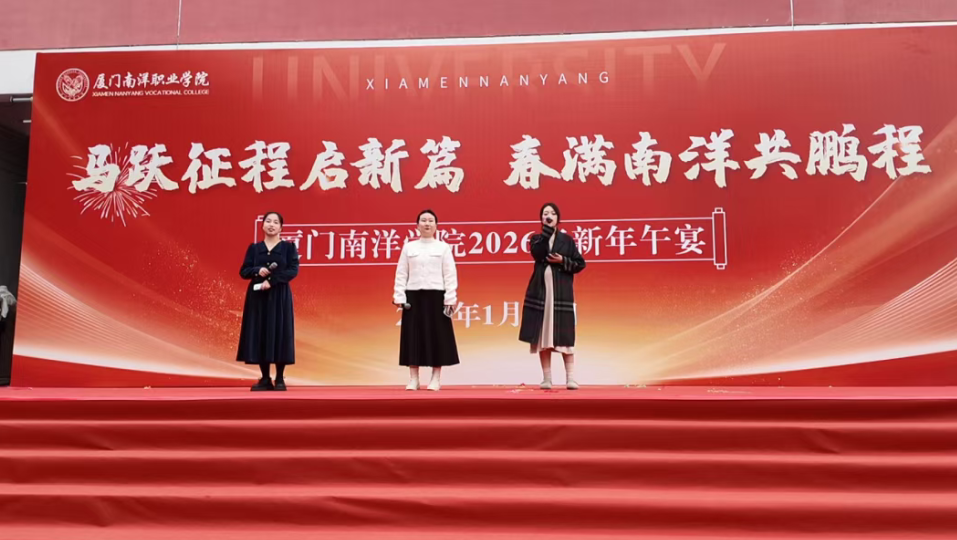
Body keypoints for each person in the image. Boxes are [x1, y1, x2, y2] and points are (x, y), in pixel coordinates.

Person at [519, 202, 586, 390]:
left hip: (561, 293)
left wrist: (562, 260)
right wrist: (547, 232)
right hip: (541, 293)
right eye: (545, 213)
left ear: (558, 218)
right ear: (541, 219)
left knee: (565, 336)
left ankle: (570, 378)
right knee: (543, 337)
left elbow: (580, 264)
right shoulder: (536, 239)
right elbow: (538, 254)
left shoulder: (567, 240)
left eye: (552, 213)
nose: (549, 216)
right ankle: (546, 378)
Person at [393, 209, 460, 391]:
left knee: (437, 337)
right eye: (423, 220)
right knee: (413, 337)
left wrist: (450, 298)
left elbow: (450, 274)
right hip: (413, 296)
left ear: (436, 226)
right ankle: (413, 379)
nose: (427, 224)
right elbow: (401, 273)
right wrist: (399, 295)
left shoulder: (443, 247)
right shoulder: (409, 247)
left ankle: (435, 378)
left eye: (431, 220)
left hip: (437, 296)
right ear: (417, 225)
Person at [237, 211, 300, 391]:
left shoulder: (288, 248)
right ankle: (265, 378)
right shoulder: (254, 248)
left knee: (280, 332)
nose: (271, 225)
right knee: (260, 332)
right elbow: (243, 271)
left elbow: (293, 270)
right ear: (262, 225)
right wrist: (257, 270)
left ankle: (279, 378)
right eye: (268, 221)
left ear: (281, 228)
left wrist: (271, 281)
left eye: (275, 222)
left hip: (279, 295)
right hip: (258, 297)